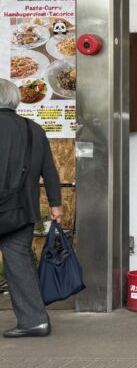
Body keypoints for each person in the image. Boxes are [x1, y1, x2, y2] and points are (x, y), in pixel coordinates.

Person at [0, 78, 62, 338]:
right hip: (21, 210)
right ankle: (34, 321)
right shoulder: (33, 129)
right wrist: (56, 204)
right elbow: (49, 169)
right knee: (20, 265)